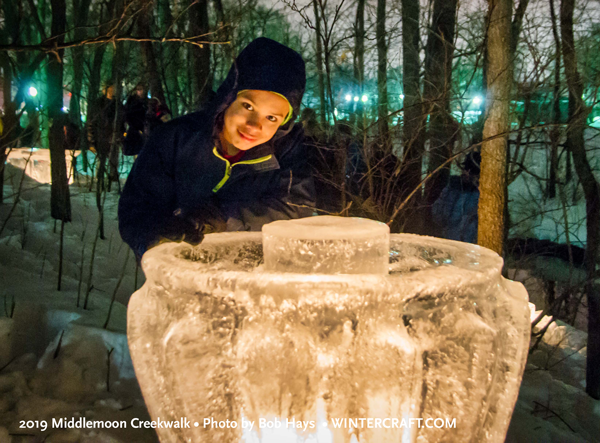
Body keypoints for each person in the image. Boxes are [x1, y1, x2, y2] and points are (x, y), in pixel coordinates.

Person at [118, 38, 316, 260]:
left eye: (271, 117)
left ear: (283, 123)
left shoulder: (286, 152)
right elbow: (136, 210)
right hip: (182, 279)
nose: (254, 125)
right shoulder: (177, 139)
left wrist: (223, 217)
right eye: (248, 106)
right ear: (229, 97)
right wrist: (156, 234)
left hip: (253, 282)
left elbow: (295, 207)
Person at [432, 151, 481, 244]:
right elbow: (437, 212)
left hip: (470, 246)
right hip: (449, 243)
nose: (468, 173)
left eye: (473, 171)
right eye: (466, 168)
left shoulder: (482, 194)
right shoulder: (453, 187)